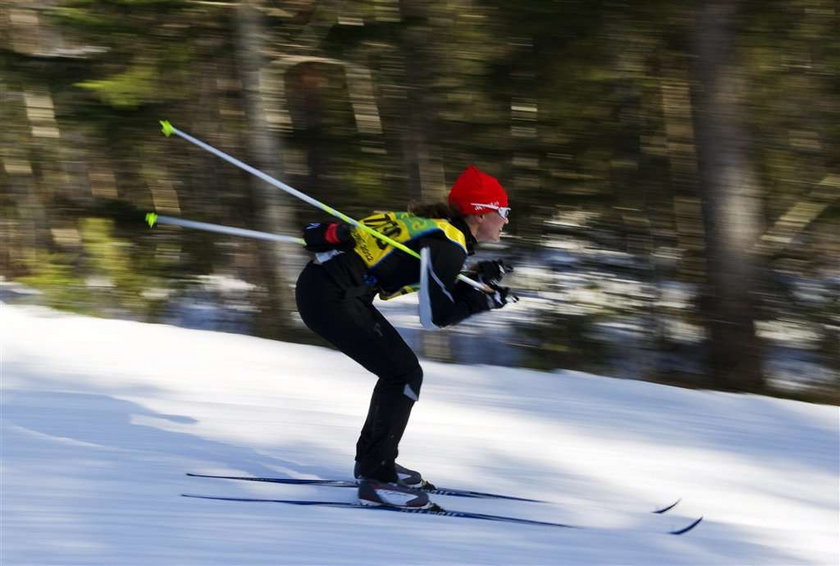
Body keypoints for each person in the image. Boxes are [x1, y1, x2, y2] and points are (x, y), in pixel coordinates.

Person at [295, 165, 516, 509]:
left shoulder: (441, 233)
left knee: (400, 371)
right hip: (332, 296)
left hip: (332, 290)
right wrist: (483, 300)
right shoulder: (447, 242)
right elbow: (435, 316)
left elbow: (430, 277)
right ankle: (376, 476)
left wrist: (475, 280)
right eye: (502, 211)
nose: (505, 220)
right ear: (480, 212)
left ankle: (375, 465)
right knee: (403, 373)